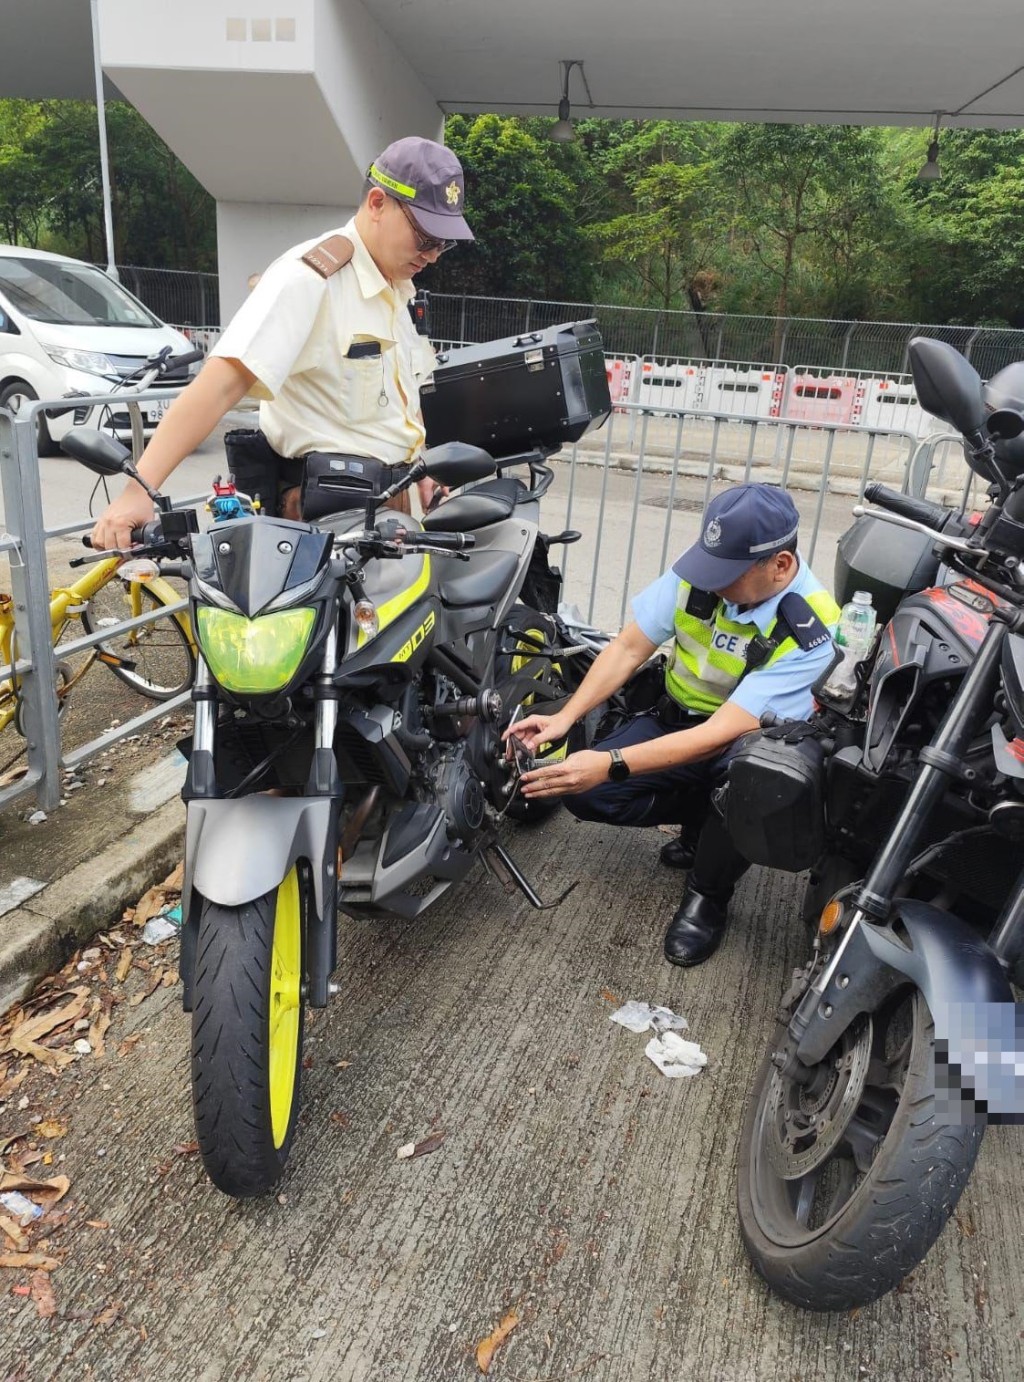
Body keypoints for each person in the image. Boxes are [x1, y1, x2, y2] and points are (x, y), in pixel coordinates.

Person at [505, 484, 841, 968]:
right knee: (586, 794)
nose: (712, 583)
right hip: (674, 718)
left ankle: (709, 896)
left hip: (738, 744)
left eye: (727, 575)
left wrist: (612, 762)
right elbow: (627, 648)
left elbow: (717, 734)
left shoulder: (811, 629)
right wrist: (564, 716)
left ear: (781, 566)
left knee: (747, 786)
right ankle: (705, 821)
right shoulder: (704, 572)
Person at [90, 136, 473, 550]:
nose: (433, 255)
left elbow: (392, 405)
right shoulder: (309, 280)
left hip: (388, 518)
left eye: (443, 243)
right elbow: (219, 385)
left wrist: (421, 468)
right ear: (378, 203)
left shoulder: (396, 289)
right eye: (425, 237)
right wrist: (138, 492)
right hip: (324, 526)